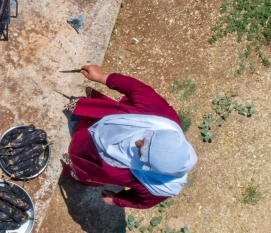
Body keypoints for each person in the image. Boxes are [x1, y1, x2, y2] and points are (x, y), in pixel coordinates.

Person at [62, 65, 197, 209]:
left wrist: (116, 200)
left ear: (150, 168)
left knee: (81, 157)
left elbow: (141, 202)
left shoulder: (157, 186)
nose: (137, 143)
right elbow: (136, 88)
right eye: (147, 138)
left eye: (142, 155)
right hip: (101, 120)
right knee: (86, 126)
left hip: (91, 157)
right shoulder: (162, 117)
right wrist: (101, 77)